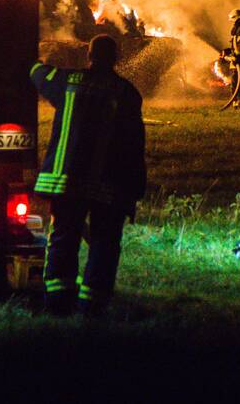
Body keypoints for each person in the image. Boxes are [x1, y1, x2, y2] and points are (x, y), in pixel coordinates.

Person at [30, 35, 146, 316]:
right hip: (109, 185)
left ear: (88, 55)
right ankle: (93, 305)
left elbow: (37, 73)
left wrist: (27, 56)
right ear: (116, 58)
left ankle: (58, 302)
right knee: (105, 242)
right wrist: (136, 186)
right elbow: (136, 143)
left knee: (63, 237)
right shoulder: (127, 92)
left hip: (67, 180)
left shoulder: (66, 81)